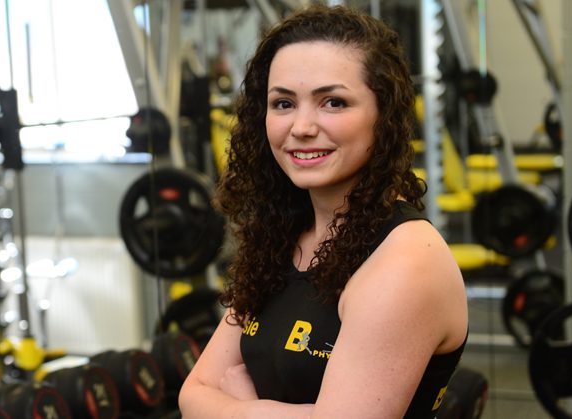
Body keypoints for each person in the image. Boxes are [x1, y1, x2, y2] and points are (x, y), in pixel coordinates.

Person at [179, 4, 468, 419]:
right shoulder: (283, 240)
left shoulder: (406, 261)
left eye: (333, 102)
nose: (301, 127)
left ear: (383, 115)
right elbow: (194, 392)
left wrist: (240, 408)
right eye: (283, 104)